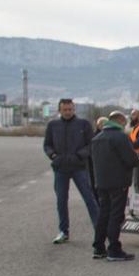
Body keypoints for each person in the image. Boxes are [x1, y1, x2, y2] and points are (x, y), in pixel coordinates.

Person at [43, 99, 99, 244]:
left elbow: (91, 144)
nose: (68, 112)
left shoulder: (83, 125)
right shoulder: (53, 125)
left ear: (74, 109)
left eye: (70, 109)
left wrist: (80, 155)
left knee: (89, 199)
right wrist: (53, 155)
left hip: (79, 168)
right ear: (59, 110)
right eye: (65, 110)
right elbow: (47, 144)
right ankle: (63, 231)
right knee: (61, 201)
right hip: (60, 169)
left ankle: (99, 230)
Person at [90, 111, 139, 261]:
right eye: (124, 123)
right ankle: (114, 250)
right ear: (120, 121)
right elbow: (131, 160)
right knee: (115, 215)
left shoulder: (97, 138)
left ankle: (98, 248)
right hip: (118, 183)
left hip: (101, 182)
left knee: (103, 214)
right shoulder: (121, 138)